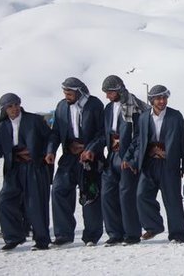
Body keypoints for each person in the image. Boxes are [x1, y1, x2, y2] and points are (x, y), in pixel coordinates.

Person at [0, 95, 52, 253]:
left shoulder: (34, 120)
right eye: (10, 106)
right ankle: (13, 237)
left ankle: (42, 240)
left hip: (34, 167)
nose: (14, 108)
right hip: (14, 169)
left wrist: (46, 153)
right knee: (3, 202)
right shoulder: (1, 127)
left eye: (17, 104)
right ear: (4, 109)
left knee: (35, 204)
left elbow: (50, 138)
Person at [123, 85, 184, 243]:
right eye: (158, 98)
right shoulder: (144, 117)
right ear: (151, 100)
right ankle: (153, 226)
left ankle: (178, 234)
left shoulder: (175, 116)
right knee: (141, 195)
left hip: (169, 164)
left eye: (164, 98)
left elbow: (183, 141)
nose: (162, 101)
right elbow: (138, 141)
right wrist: (129, 158)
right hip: (149, 164)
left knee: (172, 199)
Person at [46, 77, 105, 246]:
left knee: (90, 194)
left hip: (91, 158)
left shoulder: (94, 105)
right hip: (69, 158)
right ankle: (63, 234)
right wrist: (51, 151)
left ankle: (92, 236)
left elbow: (102, 132)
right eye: (64, 92)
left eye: (69, 93)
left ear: (79, 92)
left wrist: (90, 149)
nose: (66, 96)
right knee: (58, 190)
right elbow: (55, 132)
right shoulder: (61, 106)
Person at [99, 75, 147, 246]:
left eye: (110, 92)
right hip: (112, 155)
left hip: (127, 156)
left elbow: (140, 136)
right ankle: (114, 233)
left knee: (126, 195)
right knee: (106, 194)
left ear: (119, 89)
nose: (108, 96)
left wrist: (132, 159)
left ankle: (132, 234)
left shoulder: (134, 107)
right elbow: (104, 134)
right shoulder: (108, 108)